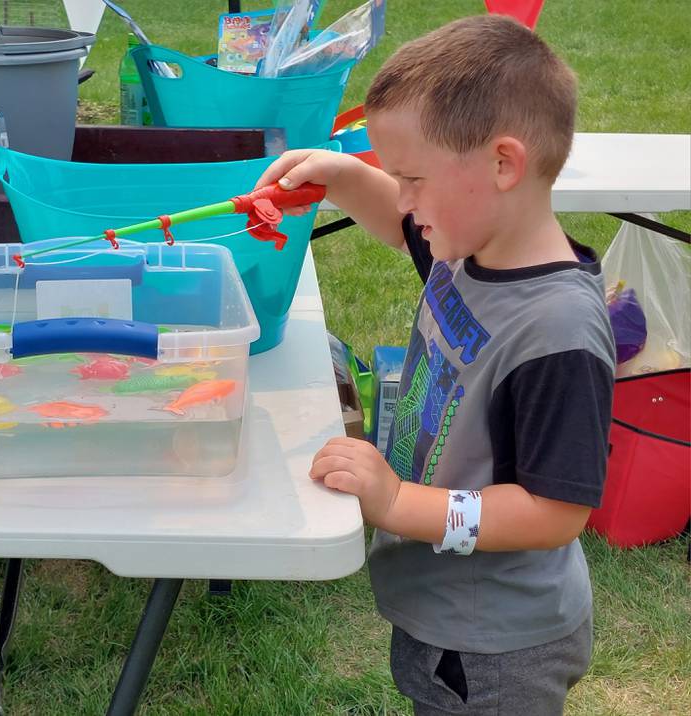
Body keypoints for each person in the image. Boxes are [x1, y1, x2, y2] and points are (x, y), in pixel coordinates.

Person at [256, 14, 614, 715]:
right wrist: (339, 176)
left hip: (498, 644)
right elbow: (398, 222)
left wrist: (397, 504)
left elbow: (555, 511)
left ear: (503, 164)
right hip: (447, 609)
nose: (407, 199)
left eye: (413, 178)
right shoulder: (469, 248)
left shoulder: (557, 331)